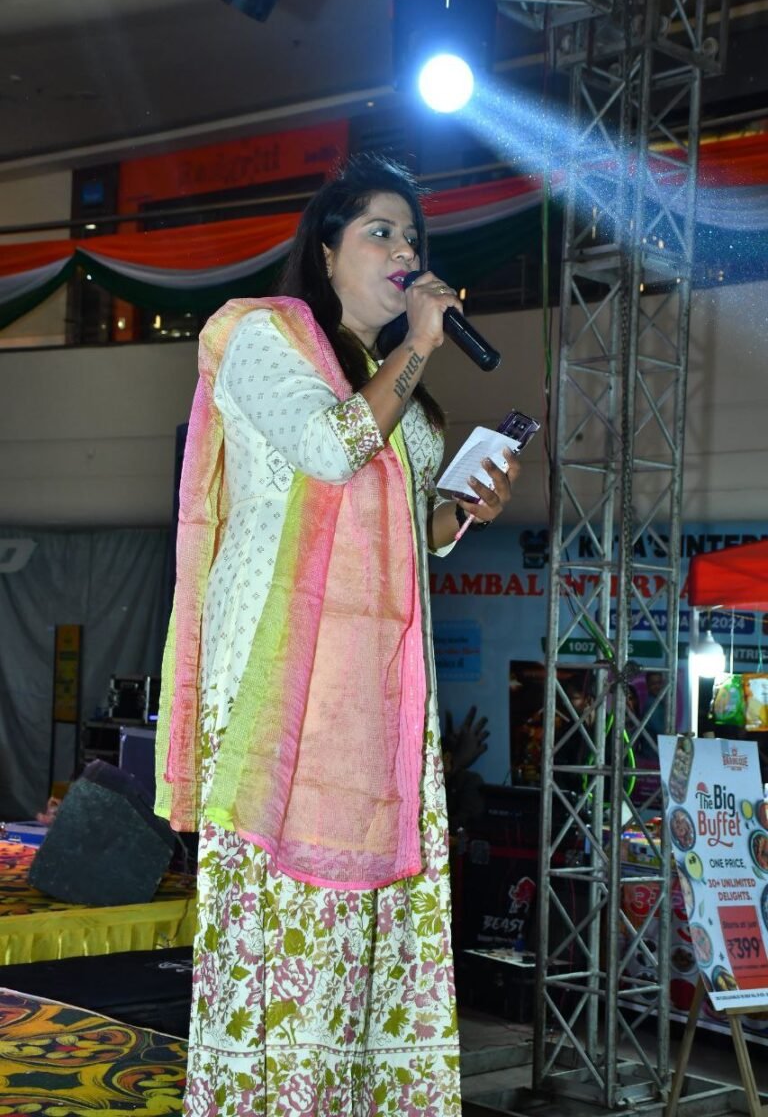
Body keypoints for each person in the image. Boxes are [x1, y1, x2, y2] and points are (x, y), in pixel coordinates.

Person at [155, 152, 519, 1116]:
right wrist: (422, 346)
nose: (406, 252)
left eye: (414, 237)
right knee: (286, 944)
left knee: (368, 953)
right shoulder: (260, 334)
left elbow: (407, 529)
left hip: (378, 707)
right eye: (381, 232)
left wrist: (460, 510)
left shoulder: (408, 402)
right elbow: (328, 446)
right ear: (325, 251)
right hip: (278, 694)